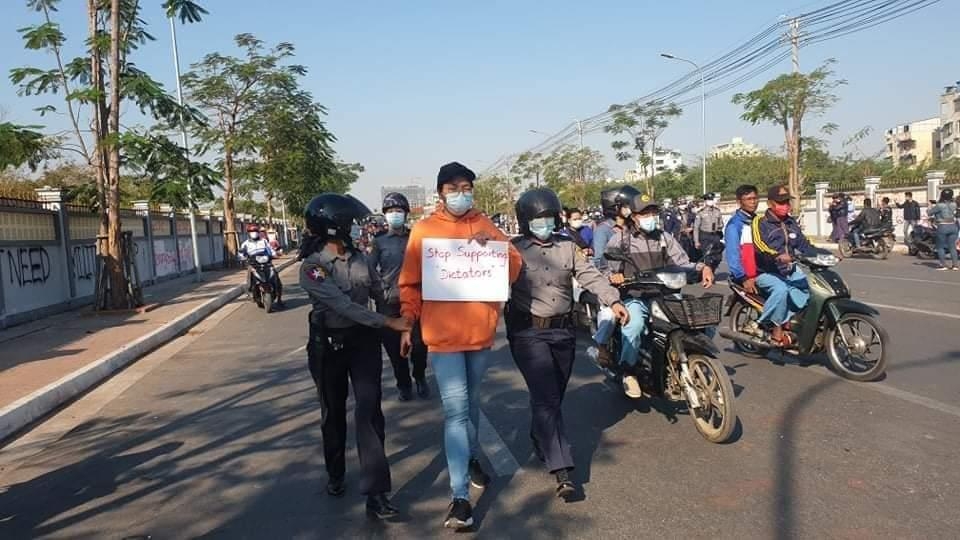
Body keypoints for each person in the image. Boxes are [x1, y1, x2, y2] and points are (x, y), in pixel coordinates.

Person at [398, 162, 523, 530]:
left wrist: (497, 246)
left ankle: (468, 458)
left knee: (470, 407)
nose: (459, 193)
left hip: (480, 336)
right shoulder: (424, 231)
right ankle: (460, 499)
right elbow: (410, 283)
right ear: (440, 193)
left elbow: (513, 266)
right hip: (442, 339)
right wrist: (408, 323)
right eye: (452, 188)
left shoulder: (485, 225)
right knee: (456, 413)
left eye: (465, 186)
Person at [507, 188, 629, 499]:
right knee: (546, 395)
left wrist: (613, 301)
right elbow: (489, 281)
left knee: (553, 395)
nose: (544, 224)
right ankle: (563, 469)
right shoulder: (512, 251)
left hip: (563, 331)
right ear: (525, 222)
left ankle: (540, 435)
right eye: (538, 220)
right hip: (528, 333)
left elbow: (589, 275)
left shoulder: (567, 246)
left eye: (549, 218)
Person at [299, 193, 412, 518]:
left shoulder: (361, 258)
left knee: (370, 411)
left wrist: (403, 321)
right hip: (328, 345)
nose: (353, 227)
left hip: (363, 343)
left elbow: (378, 293)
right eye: (347, 222)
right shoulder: (313, 267)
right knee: (333, 414)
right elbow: (344, 306)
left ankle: (376, 493)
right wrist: (389, 322)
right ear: (332, 227)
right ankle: (335, 472)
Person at [602, 194, 715, 398]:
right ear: (634, 216)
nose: (651, 217)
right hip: (636, 296)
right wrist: (614, 276)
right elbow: (603, 267)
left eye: (653, 212)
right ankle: (628, 371)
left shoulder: (664, 237)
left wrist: (702, 267)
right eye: (645, 213)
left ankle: (687, 359)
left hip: (665, 295)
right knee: (634, 325)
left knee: (696, 321)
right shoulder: (621, 239)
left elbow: (682, 261)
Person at [368, 192, 431, 402]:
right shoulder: (379, 242)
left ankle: (420, 376)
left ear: (406, 214)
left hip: (416, 301)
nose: (395, 215)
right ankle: (403, 384)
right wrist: (378, 291)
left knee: (420, 346)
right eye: (390, 211)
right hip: (389, 302)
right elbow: (369, 270)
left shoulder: (417, 237)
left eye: (399, 211)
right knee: (395, 351)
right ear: (385, 215)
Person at [751, 185, 815, 346]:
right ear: (770, 203)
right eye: (781, 202)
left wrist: (825, 254)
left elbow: (804, 244)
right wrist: (777, 255)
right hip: (766, 271)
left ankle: (796, 324)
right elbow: (759, 245)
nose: (785, 205)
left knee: (811, 288)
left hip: (789, 270)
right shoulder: (760, 222)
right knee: (782, 290)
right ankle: (769, 326)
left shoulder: (791, 222)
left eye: (787, 202)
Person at [592, 186, 641, 270]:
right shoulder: (603, 230)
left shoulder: (633, 227)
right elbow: (599, 260)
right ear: (616, 207)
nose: (632, 208)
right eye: (628, 205)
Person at [723, 185, 760, 292]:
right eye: (749, 199)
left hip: (760, 273)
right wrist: (742, 277)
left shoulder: (757, 221)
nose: (753, 202)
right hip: (747, 277)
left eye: (755, 198)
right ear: (739, 202)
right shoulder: (735, 225)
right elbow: (733, 254)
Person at [239, 223, 284, 306]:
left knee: (276, 278)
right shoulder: (245, 244)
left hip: (266, 263)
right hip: (253, 264)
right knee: (250, 278)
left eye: (255, 231)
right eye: (251, 231)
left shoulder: (263, 241)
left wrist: (275, 254)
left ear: (258, 232)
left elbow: (270, 250)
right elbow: (241, 253)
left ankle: (279, 299)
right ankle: (250, 292)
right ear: (248, 233)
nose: (254, 233)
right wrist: (243, 258)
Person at [926, 188, 958, 271]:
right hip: (953, 226)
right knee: (952, 247)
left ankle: (943, 265)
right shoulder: (954, 204)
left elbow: (929, 213)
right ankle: (955, 265)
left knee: (940, 246)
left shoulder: (939, 205)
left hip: (943, 226)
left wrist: (929, 205)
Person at [694, 192, 724, 259]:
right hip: (705, 237)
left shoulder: (717, 211)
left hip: (715, 236)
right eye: (708, 200)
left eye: (711, 199)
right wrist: (696, 241)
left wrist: (719, 227)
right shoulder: (701, 212)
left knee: (717, 257)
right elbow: (696, 228)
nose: (710, 201)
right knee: (707, 257)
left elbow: (721, 224)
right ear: (705, 201)